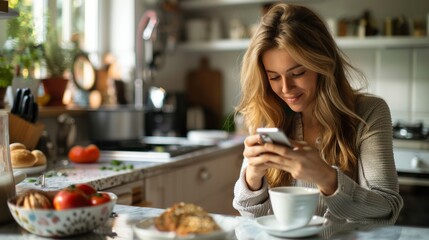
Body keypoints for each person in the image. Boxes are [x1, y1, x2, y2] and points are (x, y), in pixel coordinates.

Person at [232, 3, 403, 225]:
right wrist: (252, 177)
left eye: (298, 73)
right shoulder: (268, 112)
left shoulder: (369, 112)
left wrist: (325, 177)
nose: (285, 89)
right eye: (274, 77)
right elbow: (254, 219)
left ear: (323, 64)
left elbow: (387, 209)